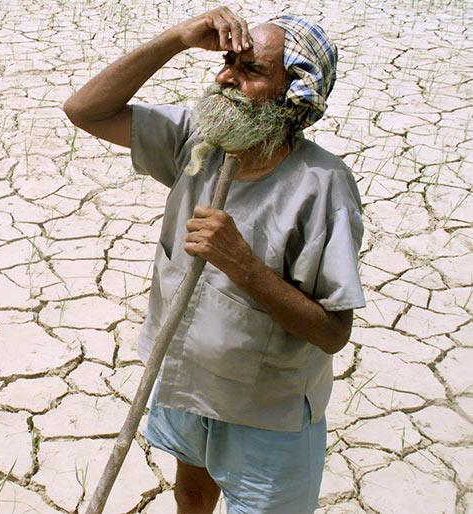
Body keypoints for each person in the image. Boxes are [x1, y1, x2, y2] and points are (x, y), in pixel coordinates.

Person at [64, 6, 365, 514]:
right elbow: (84, 110)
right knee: (194, 494)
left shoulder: (323, 188)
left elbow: (333, 331)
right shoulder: (197, 141)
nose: (226, 77)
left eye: (250, 71)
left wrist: (244, 268)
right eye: (228, 62)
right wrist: (177, 38)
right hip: (185, 377)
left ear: (293, 96)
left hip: (265, 409)